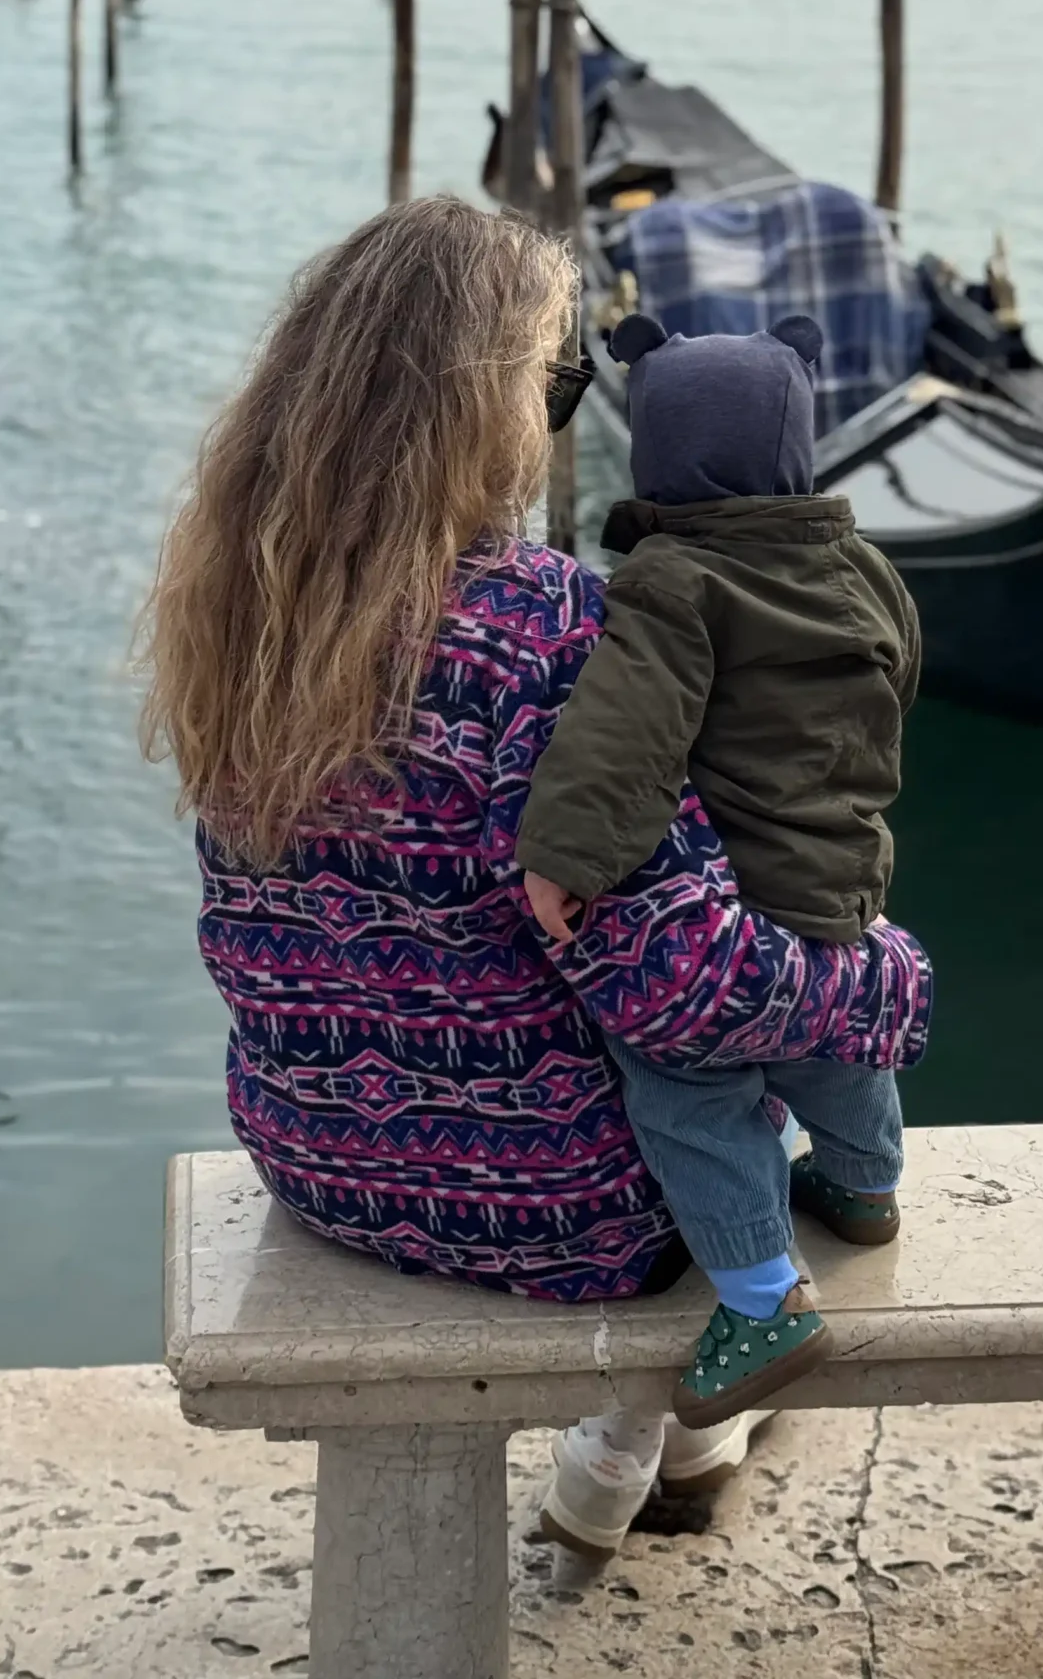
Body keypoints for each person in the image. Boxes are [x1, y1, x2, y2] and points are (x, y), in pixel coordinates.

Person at [137, 195, 932, 1555]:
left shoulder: (238, 618)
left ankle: (646, 1445)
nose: (562, 412)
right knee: (763, 1081)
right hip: (552, 1212)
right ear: (480, 403)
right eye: (557, 380)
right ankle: (663, 1432)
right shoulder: (545, 629)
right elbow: (681, 984)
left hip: (322, 1162)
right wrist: (887, 986)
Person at [515, 310, 922, 1426]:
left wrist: (563, 858)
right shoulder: (868, 569)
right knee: (836, 1035)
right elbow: (897, 689)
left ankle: (760, 1299)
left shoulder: (676, 579)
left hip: (730, 911)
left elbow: (625, 735)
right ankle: (866, 1186)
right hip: (846, 878)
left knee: (688, 1086)